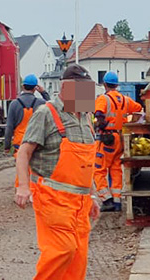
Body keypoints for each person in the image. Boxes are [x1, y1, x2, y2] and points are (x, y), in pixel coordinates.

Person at [14, 63, 100, 280]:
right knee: (62, 250)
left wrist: (93, 194)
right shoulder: (46, 113)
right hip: (54, 197)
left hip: (80, 202)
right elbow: (24, 152)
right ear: (66, 88)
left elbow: (86, 163)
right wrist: (23, 187)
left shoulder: (86, 118)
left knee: (78, 257)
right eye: (81, 89)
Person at [92, 70, 146, 212]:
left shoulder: (103, 99)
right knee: (116, 169)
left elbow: (99, 115)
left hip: (107, 138)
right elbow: (139, 108)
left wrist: (99, 124)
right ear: (116, 84)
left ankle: (106, 199)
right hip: (120, 139)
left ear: (104, 84)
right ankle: (117, 201)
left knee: (99, 169)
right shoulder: (125, 99)